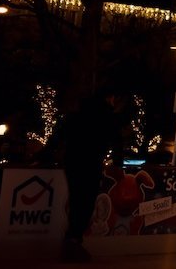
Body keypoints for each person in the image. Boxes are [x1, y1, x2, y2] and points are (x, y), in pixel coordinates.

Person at [44, 90, 129, 262]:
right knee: (86, 201)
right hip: (91, 162)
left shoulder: (77, 115)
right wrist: (118, 163)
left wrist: (45, 154)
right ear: (110, 97)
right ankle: (73, 239)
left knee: (77, 199)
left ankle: (72, 239)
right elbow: (117, 141)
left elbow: (59, 134)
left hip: (73, 161)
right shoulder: (108, 116)